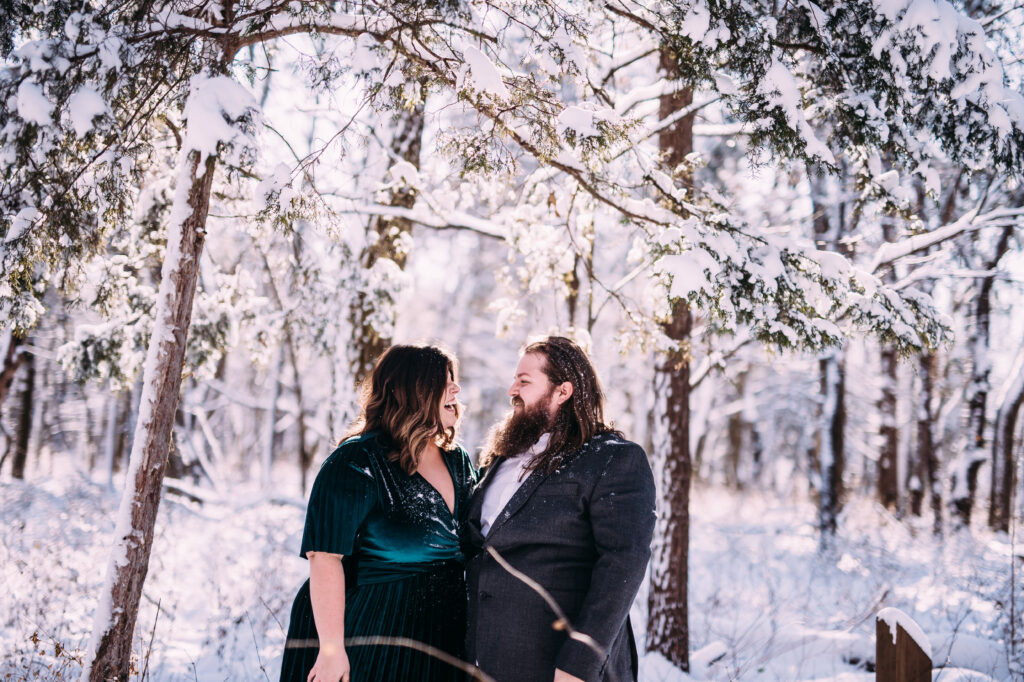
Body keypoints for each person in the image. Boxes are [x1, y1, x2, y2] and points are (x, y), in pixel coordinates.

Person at [465, 336, 656, 682]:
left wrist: (579, 664)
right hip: (486, 662)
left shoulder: (613, 458)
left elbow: (621, 566)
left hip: (560, 668)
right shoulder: (501, 459)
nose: (512, 390)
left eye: (524, 381)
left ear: (562, 391)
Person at [280, 344, 476, 682]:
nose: (456, 389)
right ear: (412, 390)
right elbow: (324, 557)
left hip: (447, 635)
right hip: (380, 633)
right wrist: (331, 652)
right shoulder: (356, 461)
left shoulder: (457, 460)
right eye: (444, 381)